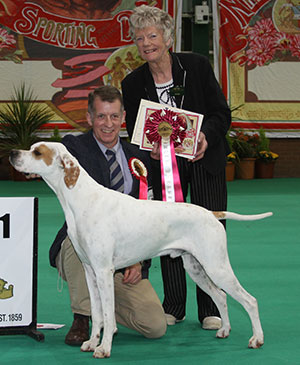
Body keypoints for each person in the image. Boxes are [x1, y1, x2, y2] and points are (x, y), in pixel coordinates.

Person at [121, 5, 231, 329]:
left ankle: (210, 308)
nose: (146, 43)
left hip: (204, 163)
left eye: (152, 35)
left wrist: (206, 139)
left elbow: (220, 113)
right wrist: (150, 148)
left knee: (208, 233)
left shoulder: (196, 66)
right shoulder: (132, 83)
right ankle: (174, 304)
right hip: (162, 168)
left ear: (167, 37)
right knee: (167, 233)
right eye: (139, 38)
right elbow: (136, 133)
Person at [50, 85, 167, 346]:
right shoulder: (74, 147)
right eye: (101, 116)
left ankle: (102, 306)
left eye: (114, 116)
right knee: (77, 241)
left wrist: (138, 261)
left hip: (125, 253)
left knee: (155, 326)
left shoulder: (139, 156)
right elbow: (52, 156)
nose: (108, 124)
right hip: (83, 248)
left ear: (123, 117)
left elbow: (149, 214)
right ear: (90, 118)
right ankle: (82, 317)